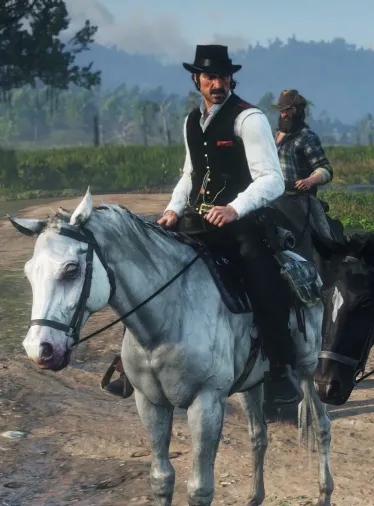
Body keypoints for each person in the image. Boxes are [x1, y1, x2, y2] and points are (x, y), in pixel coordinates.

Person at [104, 44, 298, 403]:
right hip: (195, 220)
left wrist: (234, 209)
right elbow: (190, 174)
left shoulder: (249, 118)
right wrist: (173, 210)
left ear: (231, 79)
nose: (217, 83)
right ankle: (130, 362)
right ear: (197, 80)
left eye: (223, 77)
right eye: (210, 77)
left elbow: (272, 179)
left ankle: (279, 366)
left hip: (241, 223)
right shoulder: (191, 121)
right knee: (146, 269)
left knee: (264, 278)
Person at [267, 89, 345, 277]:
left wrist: (310, 180)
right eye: (282, 110)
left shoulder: (306, 137)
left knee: (323, 239)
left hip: (298, 198)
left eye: (289, 110)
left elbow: (325, 169)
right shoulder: (271, 137)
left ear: (299, 111)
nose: (285, 114)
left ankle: (328, 274)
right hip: (271, 197)